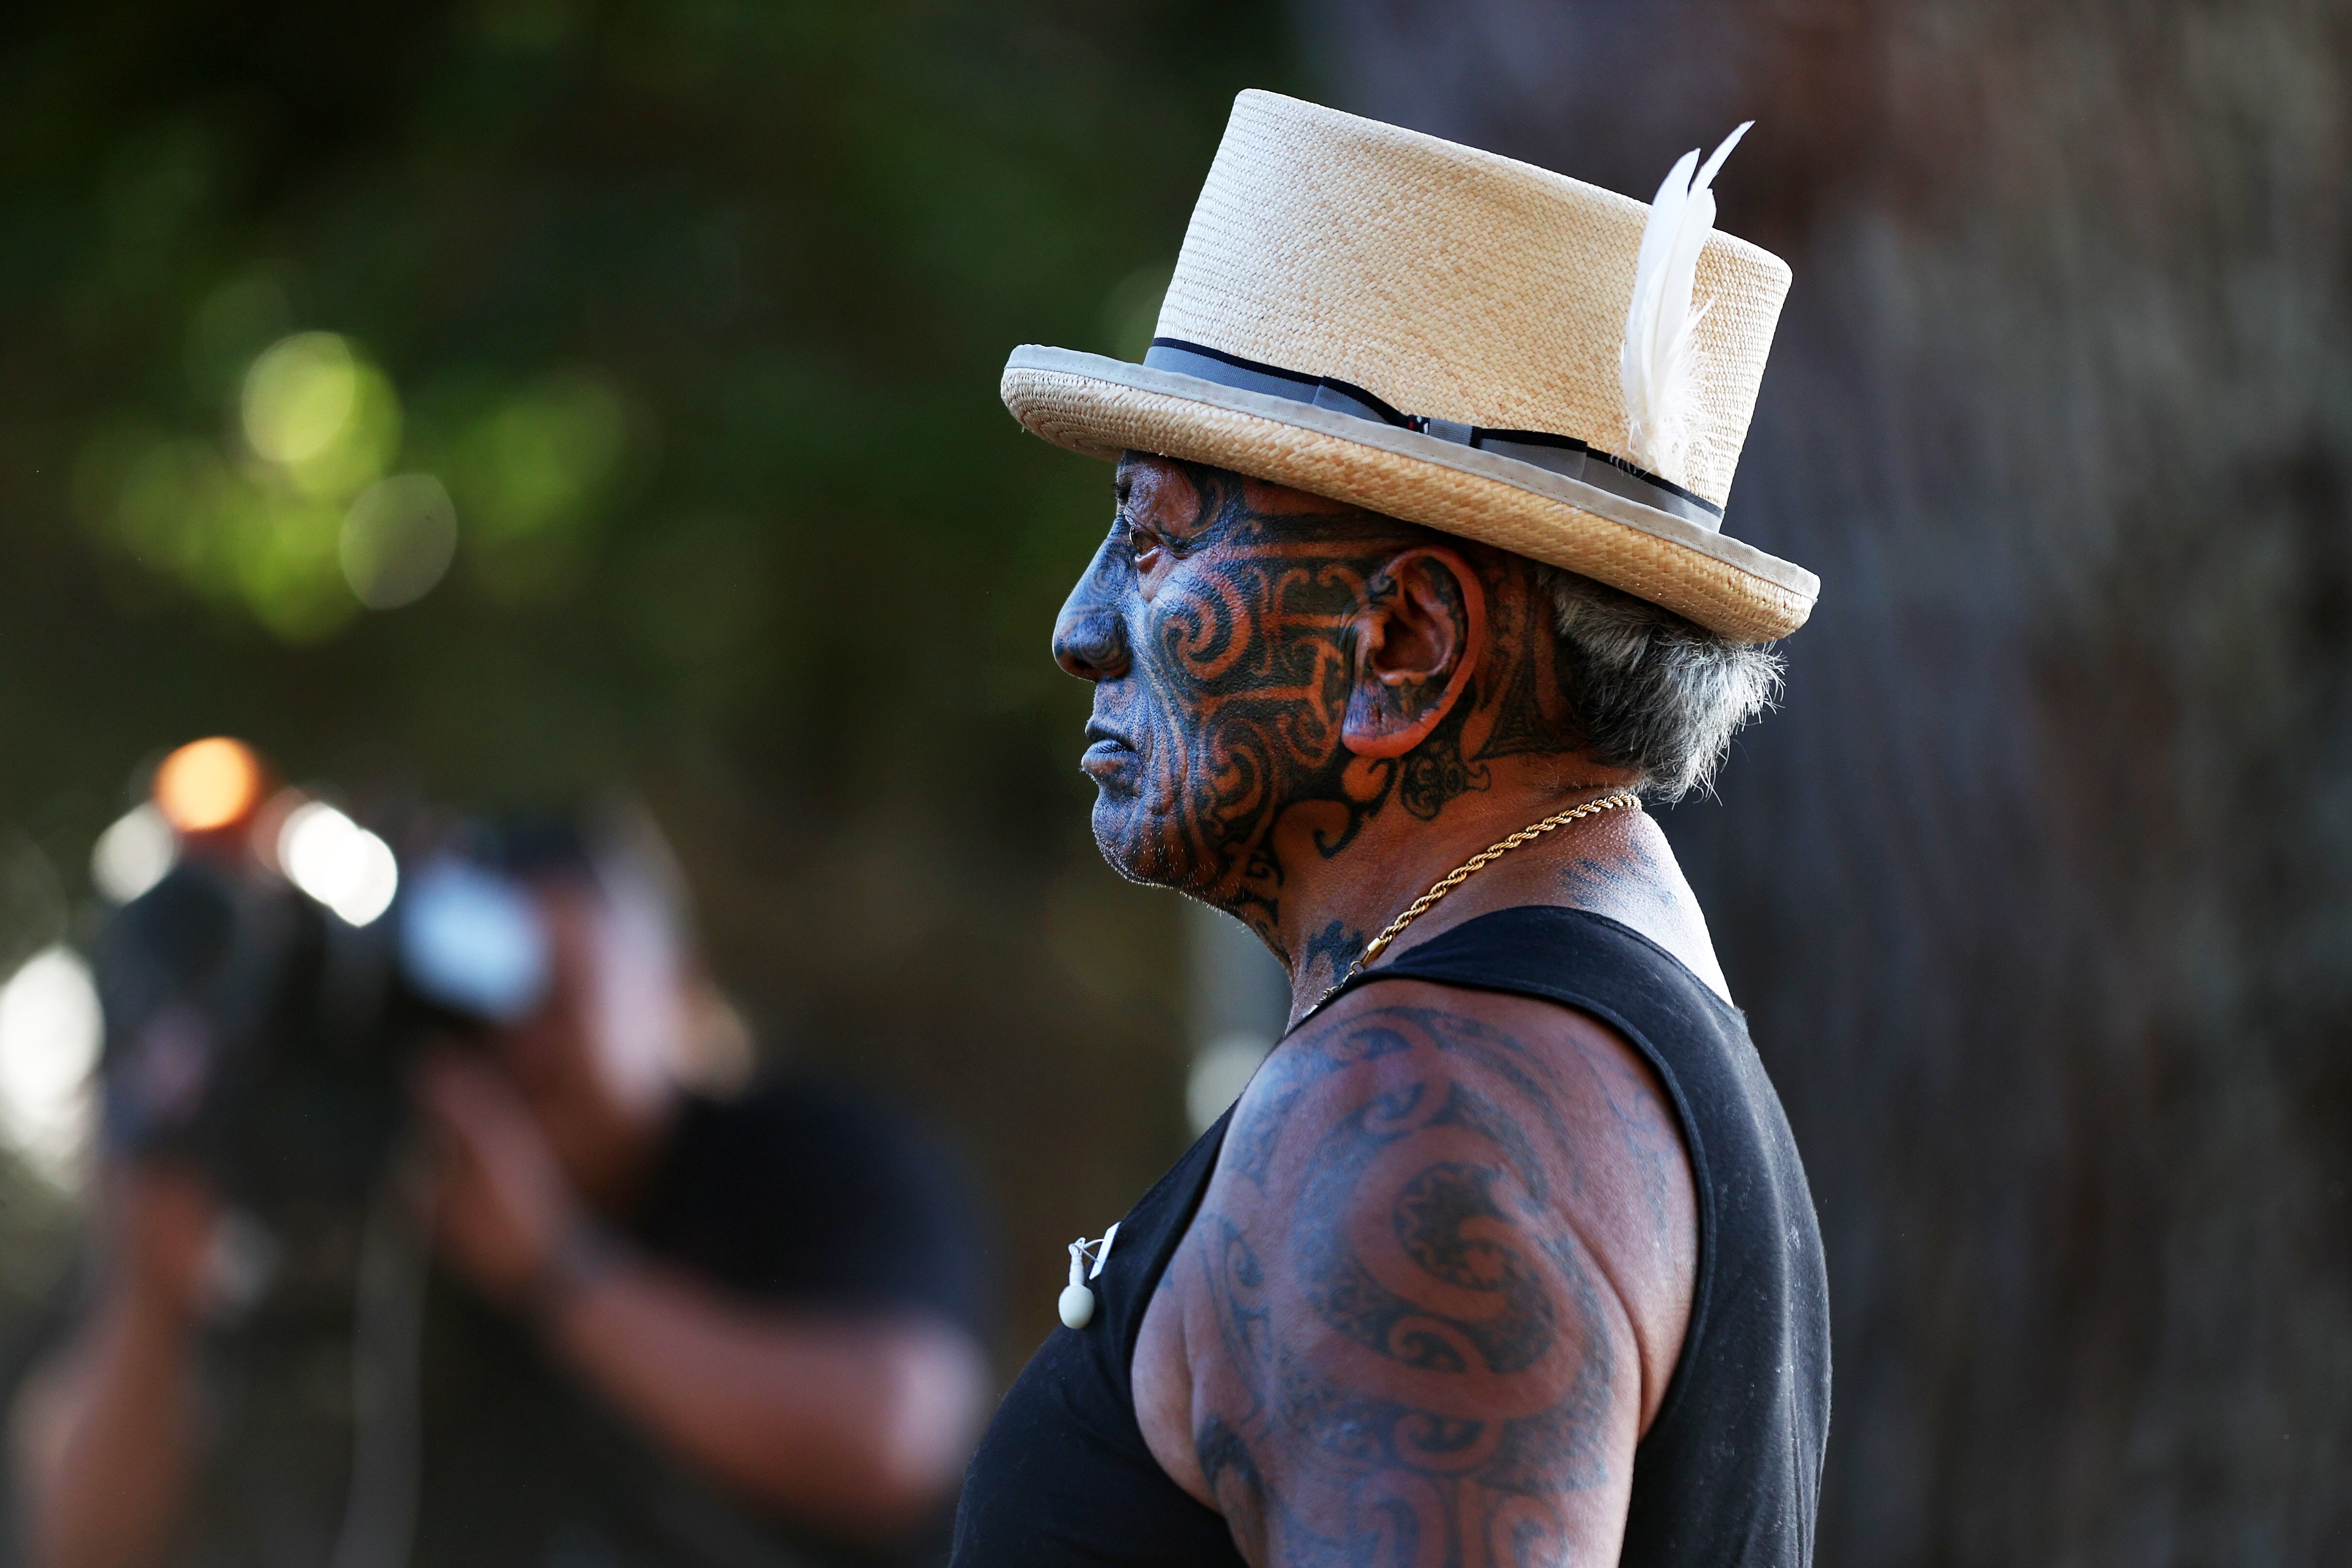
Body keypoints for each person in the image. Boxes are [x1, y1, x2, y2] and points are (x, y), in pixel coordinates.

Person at [951, 92, 1830, 1567]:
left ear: (1405, 642)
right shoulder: (1585, 1014)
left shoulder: (1422, 1118)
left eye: (1159, 538)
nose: (1082, 624)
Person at [8, 813, 992, 1568]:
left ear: (675, 989)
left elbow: (895, 1440)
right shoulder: (380, 1185)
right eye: (474, 1005)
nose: (517, 1045)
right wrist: (153, 1279)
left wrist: (552, 1269)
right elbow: (77, 1540)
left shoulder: (810, 1154)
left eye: (554, 993)